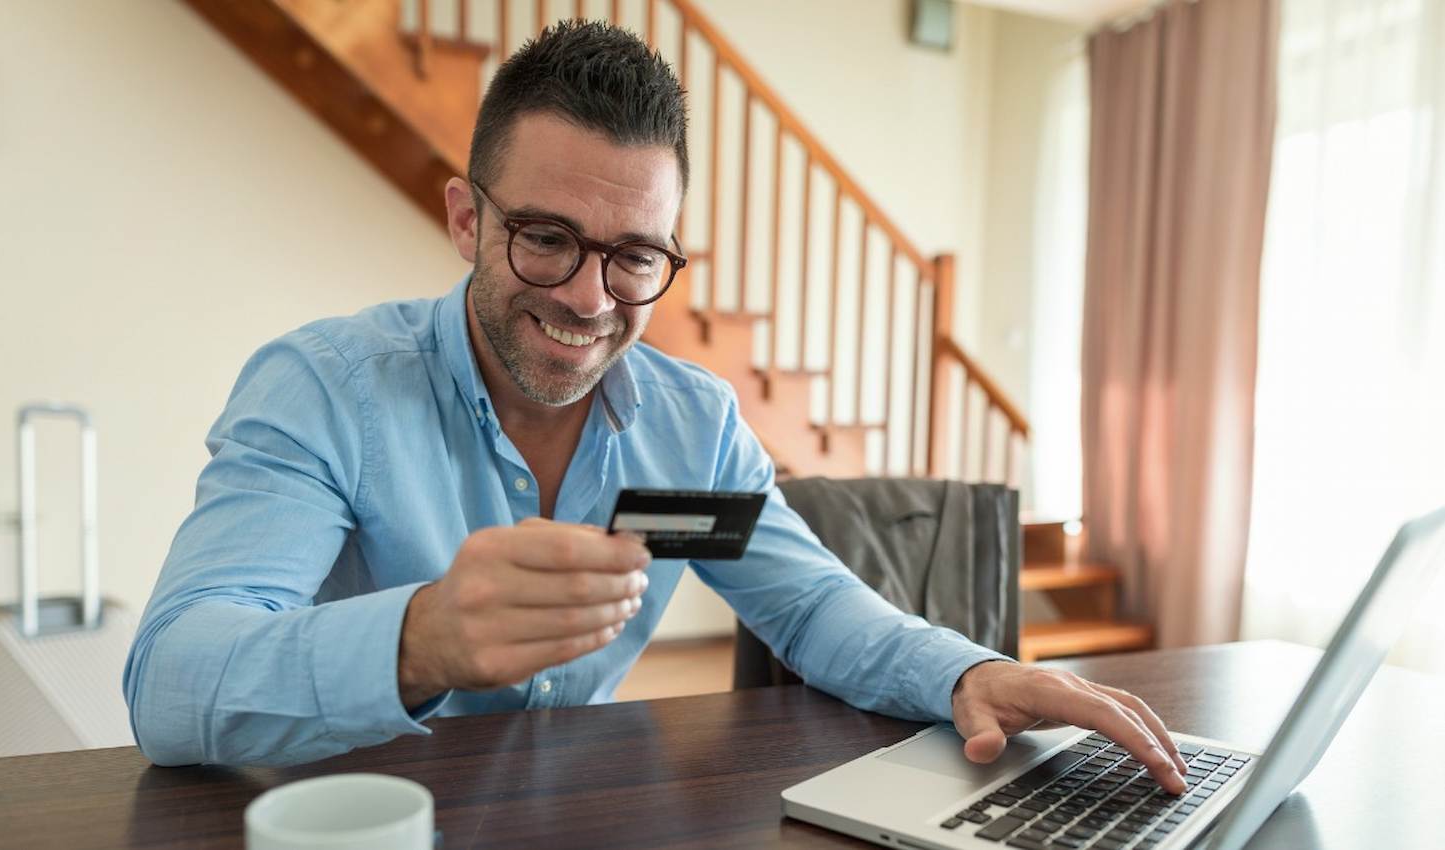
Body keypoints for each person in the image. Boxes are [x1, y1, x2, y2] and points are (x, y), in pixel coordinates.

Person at [122, 20, 1189, 794]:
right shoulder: (322, 389)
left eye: (632, 255)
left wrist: (971, 668)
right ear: (464, 217)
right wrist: (416, 641)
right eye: (543, 237)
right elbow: (170, 683)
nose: (588, 298)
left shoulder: (693, 430)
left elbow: (809, 606)